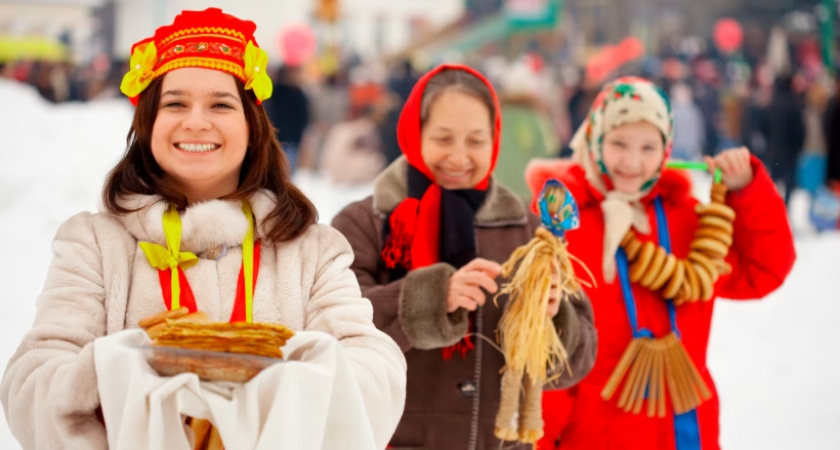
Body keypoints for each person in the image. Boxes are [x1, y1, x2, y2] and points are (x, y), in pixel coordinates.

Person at [0, 8, 405, 450]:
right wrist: (119, 378)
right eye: (175, 103)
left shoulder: (315, 250)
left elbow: (375, 370)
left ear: (251, 126)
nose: (196, 121)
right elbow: (31, 380)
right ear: (148, 122)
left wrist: (285, 395)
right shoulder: (93, 245)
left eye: (220, 104)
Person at [331, 64, 597, 450]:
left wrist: (553, 317)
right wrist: (432, 298)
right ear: (414, 134)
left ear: (495, 140)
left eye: (475, 141)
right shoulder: (366, 222)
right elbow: (333, 333)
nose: (458, 156)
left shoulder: (528, 232)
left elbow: (576, 361)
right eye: (443, 138)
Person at [525, 77, 796, 450]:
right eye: (619, 143)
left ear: (667, 150)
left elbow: (762, 271)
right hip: (594, 431)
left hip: (683, 426)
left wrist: (747, 190)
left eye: (648, 147)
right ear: (594, 139)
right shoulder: (562, 224)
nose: (633, 162)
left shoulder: (688, 219)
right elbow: (544, 346)